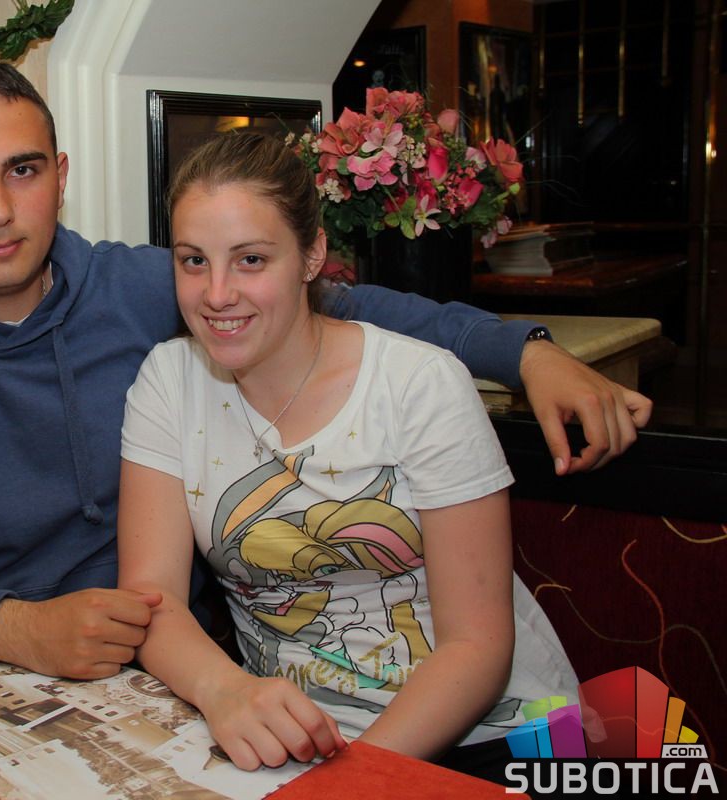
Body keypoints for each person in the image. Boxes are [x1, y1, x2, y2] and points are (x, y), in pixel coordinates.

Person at [0, 54, 648, 682]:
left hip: (168, 679)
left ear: (60, 176)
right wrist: (10, 629)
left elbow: (341, 305)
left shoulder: (148, 288)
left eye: (22, 170)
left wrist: (523, 350)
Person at [116, 132, 578, 777]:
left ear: (312, 255)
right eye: (194, 261)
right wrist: (224, 690)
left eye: (251, 260)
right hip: (294, 739)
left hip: (489, 735)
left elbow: (477, 647)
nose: (217, 293)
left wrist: (354, 780)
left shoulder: (421, 384)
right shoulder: (169, 380)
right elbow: (151, 597)